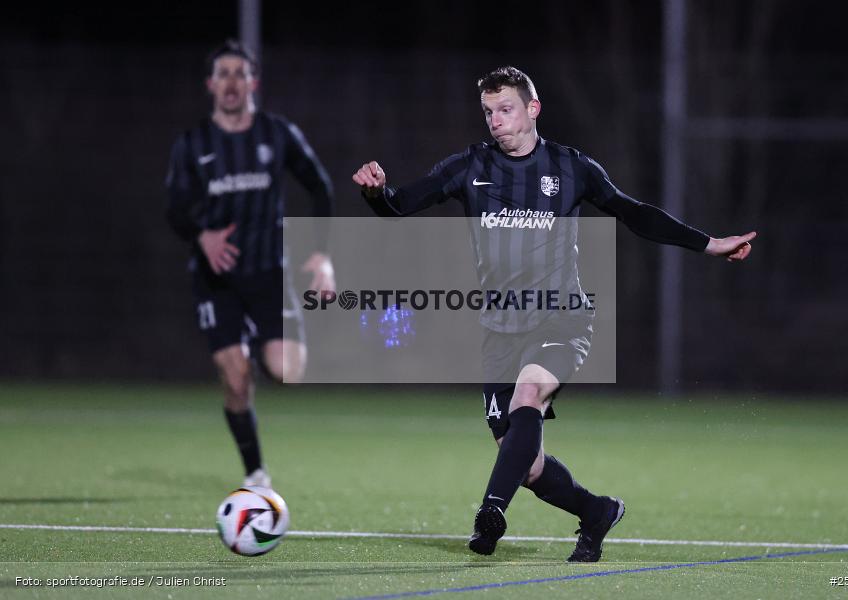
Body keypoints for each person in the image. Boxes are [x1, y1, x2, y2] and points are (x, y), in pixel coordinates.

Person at [352, 66, 755, 562]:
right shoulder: (468, 166)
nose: (495, 121)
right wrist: (375, 193)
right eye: (488, 112)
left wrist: (710, 244)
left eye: (506, 110)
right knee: (524, 462)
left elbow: (634, 213)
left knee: (530, 394)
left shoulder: (571, 168)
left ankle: (490, 513)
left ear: (533, 109)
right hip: (499, 329)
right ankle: (596, 512)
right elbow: (399, 205)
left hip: (561, 317)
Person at [166, 40, 335, 489]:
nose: (231, 82)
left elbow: (319, 187)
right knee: (237, 381)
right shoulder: (194, 144)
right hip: (215, 280)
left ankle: (260, 345)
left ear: (253, 82)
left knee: (286, 371)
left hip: (268, 276)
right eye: (222, 74)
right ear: (210, 84)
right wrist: (201, 235)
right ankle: (256, 473)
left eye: (240, 73)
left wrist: (321, 256)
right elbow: (174, 209)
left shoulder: (277, 134)